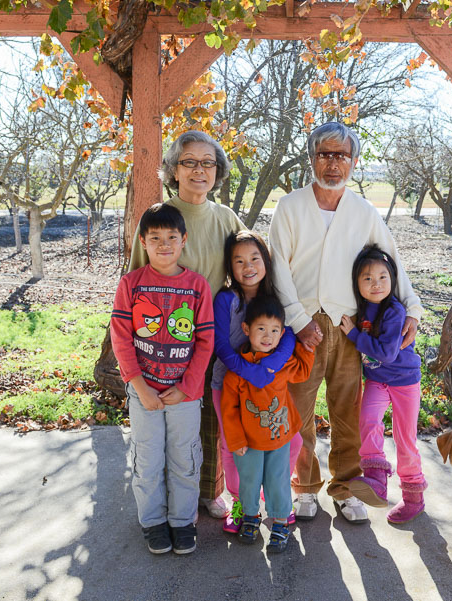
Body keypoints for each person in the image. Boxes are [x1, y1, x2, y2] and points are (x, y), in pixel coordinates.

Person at [268, 122, 423, 523]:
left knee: (347, 411)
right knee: (298, 410)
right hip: (300, 326)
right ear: (312, 158)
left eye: (341, 156)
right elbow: (278, 269)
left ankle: (344, 486)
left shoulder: (362, 211)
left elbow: (391, 260)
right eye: (325, 154)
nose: (333, 163)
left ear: (353, 162)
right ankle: (304, 488)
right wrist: (298, 320)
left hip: (348, 327)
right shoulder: (289, 207)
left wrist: (414, 309)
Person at [128, 130, 246, 520]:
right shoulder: (158, 218)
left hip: (210, 339)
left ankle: (207, 491)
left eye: (207, 162)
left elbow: (248, 271)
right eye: (189, 162)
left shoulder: (226, 218)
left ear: (218, 171)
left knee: (208, 420)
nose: (199, 170)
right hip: (160, 344)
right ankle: (160, 496)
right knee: (163, 423)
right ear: (174, 169)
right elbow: (133, 285)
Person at [110, 203, 214, 554]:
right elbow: (121, 338)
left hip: (185, 394)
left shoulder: (197, 286)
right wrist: (139, 387)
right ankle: (153, 521)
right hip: (144, 393)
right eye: (155, 238)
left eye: (172, 237)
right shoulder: (131, 285)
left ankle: (182, 522)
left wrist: (186, 387)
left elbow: (204, 341)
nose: (164, 244)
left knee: (185, 457)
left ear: (184, 240)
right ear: (143, 242)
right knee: (148, 457)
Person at [211, 230, 301, 533]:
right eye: (239, 261)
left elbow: (288, 334)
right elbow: (221, 345)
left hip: (268, 385)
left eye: (254, 258)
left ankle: (278, 502)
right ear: (230, 267)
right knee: (235, 445)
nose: (248, 266)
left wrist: (270, 367)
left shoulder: (273, 298)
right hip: (229, 383)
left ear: (266, 261)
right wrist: (250, 372)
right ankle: (241, 503)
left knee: (288, 441)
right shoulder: (227, 300)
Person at [220, 295, 314, 553]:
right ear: (246, 329)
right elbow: (229, 410)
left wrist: (306, 343)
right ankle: (251, 517)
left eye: (274, 331)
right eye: (261, 329)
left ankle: (281, 522)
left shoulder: (281, 364)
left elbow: (304, 371)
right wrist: (236, 440)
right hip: (248, 442)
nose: (267, 336)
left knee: (278, 480)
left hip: (279, 438)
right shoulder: (237, 372)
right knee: (248, 481)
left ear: (281, 334)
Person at [341, 245, 426, 523]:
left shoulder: (394, 311)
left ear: (392, 280)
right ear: (356, 282)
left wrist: (354, 335)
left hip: (404, 381)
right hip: (377, 379)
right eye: (367, 278)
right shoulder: (361, 309)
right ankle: (376, 477)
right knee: (367, 420)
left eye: (382, 277)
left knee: (405, 438)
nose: (375, 284)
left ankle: (413, 496)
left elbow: (388, 353)